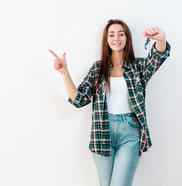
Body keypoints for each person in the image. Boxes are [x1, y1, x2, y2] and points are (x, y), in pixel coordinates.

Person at [48, 19, 171, 186]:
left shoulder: (138, 67)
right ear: (106, 40)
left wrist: (161, 40)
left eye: (121, 34)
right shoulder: (98, 69)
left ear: (127, 38)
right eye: (111, 34)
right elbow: (79, 99)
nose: (116, 38)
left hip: (131, 133)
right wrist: (64, 72)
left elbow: (157, 57)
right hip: (102, 131)